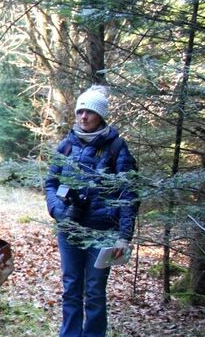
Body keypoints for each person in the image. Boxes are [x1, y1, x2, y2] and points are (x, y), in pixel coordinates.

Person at [45, 86, 137, 337]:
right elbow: (51, 183)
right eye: (80, 111)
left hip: (103, 231)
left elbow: (128, 193)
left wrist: (123, 235)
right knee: (71, 286)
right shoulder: (66, 146)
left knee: (95, 291)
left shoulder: (117, 147)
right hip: (69, 229)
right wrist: (57, 209)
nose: (83, 117)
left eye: (90, 112)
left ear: (101, 116)